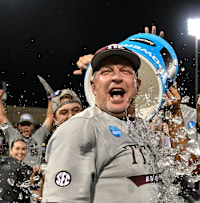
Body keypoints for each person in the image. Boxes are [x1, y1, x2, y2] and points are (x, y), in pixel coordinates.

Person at [42, 43, 158, 202]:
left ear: (137, 85)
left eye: (125, 71)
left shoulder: (139, 127)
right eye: (106, 71)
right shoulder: (81, 128)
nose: (117, 77)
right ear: (93, 87)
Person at [0, 89, 53, 168]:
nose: (25, 127)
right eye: (23, 124)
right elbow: (1, 118)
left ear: (33, 126)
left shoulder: (38, 135)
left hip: (34, 174)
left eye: (28, 124)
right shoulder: (13, 134)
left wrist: (50, 100)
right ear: (19, 126)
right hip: (14, 172)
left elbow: (50, 118)